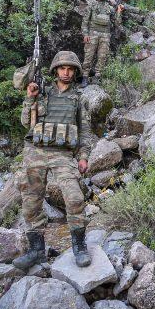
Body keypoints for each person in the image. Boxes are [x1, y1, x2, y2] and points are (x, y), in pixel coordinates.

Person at [15, 51, 97, 269]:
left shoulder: (78, 99)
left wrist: (83, 157)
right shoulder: (42, 92)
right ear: (55, 71)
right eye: (63, 68)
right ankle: (36, 251)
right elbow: (25, 123)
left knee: (74, 198)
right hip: (36, 151)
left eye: (70, 69)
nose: (66, 72)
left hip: (62, 154)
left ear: (76, 71)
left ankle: (79, 246)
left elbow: (85, 133)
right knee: (31, 202)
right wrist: (29, 97)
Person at [82, 0, 124, 86]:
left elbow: (117, 23)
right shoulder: (91, 5)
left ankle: (97, 77)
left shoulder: (109, 8)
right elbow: (85, 21)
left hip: (105, 35)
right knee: (88, 56)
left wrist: (119, 12)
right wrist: (85, 34)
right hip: (92, 34)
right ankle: (85, 77)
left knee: (102, 57)